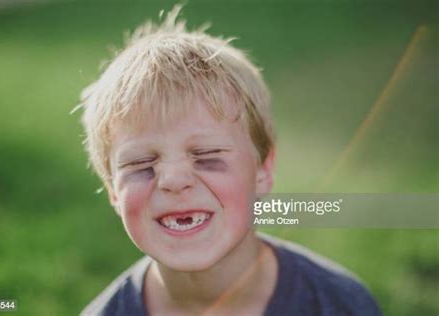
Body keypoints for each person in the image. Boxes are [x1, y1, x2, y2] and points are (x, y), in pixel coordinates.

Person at [77, 5, 381, 316]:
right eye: (141, 164)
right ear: (113, 190)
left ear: (263, 168)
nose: (173, 180)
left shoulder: (339, 304)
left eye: (206, 156)